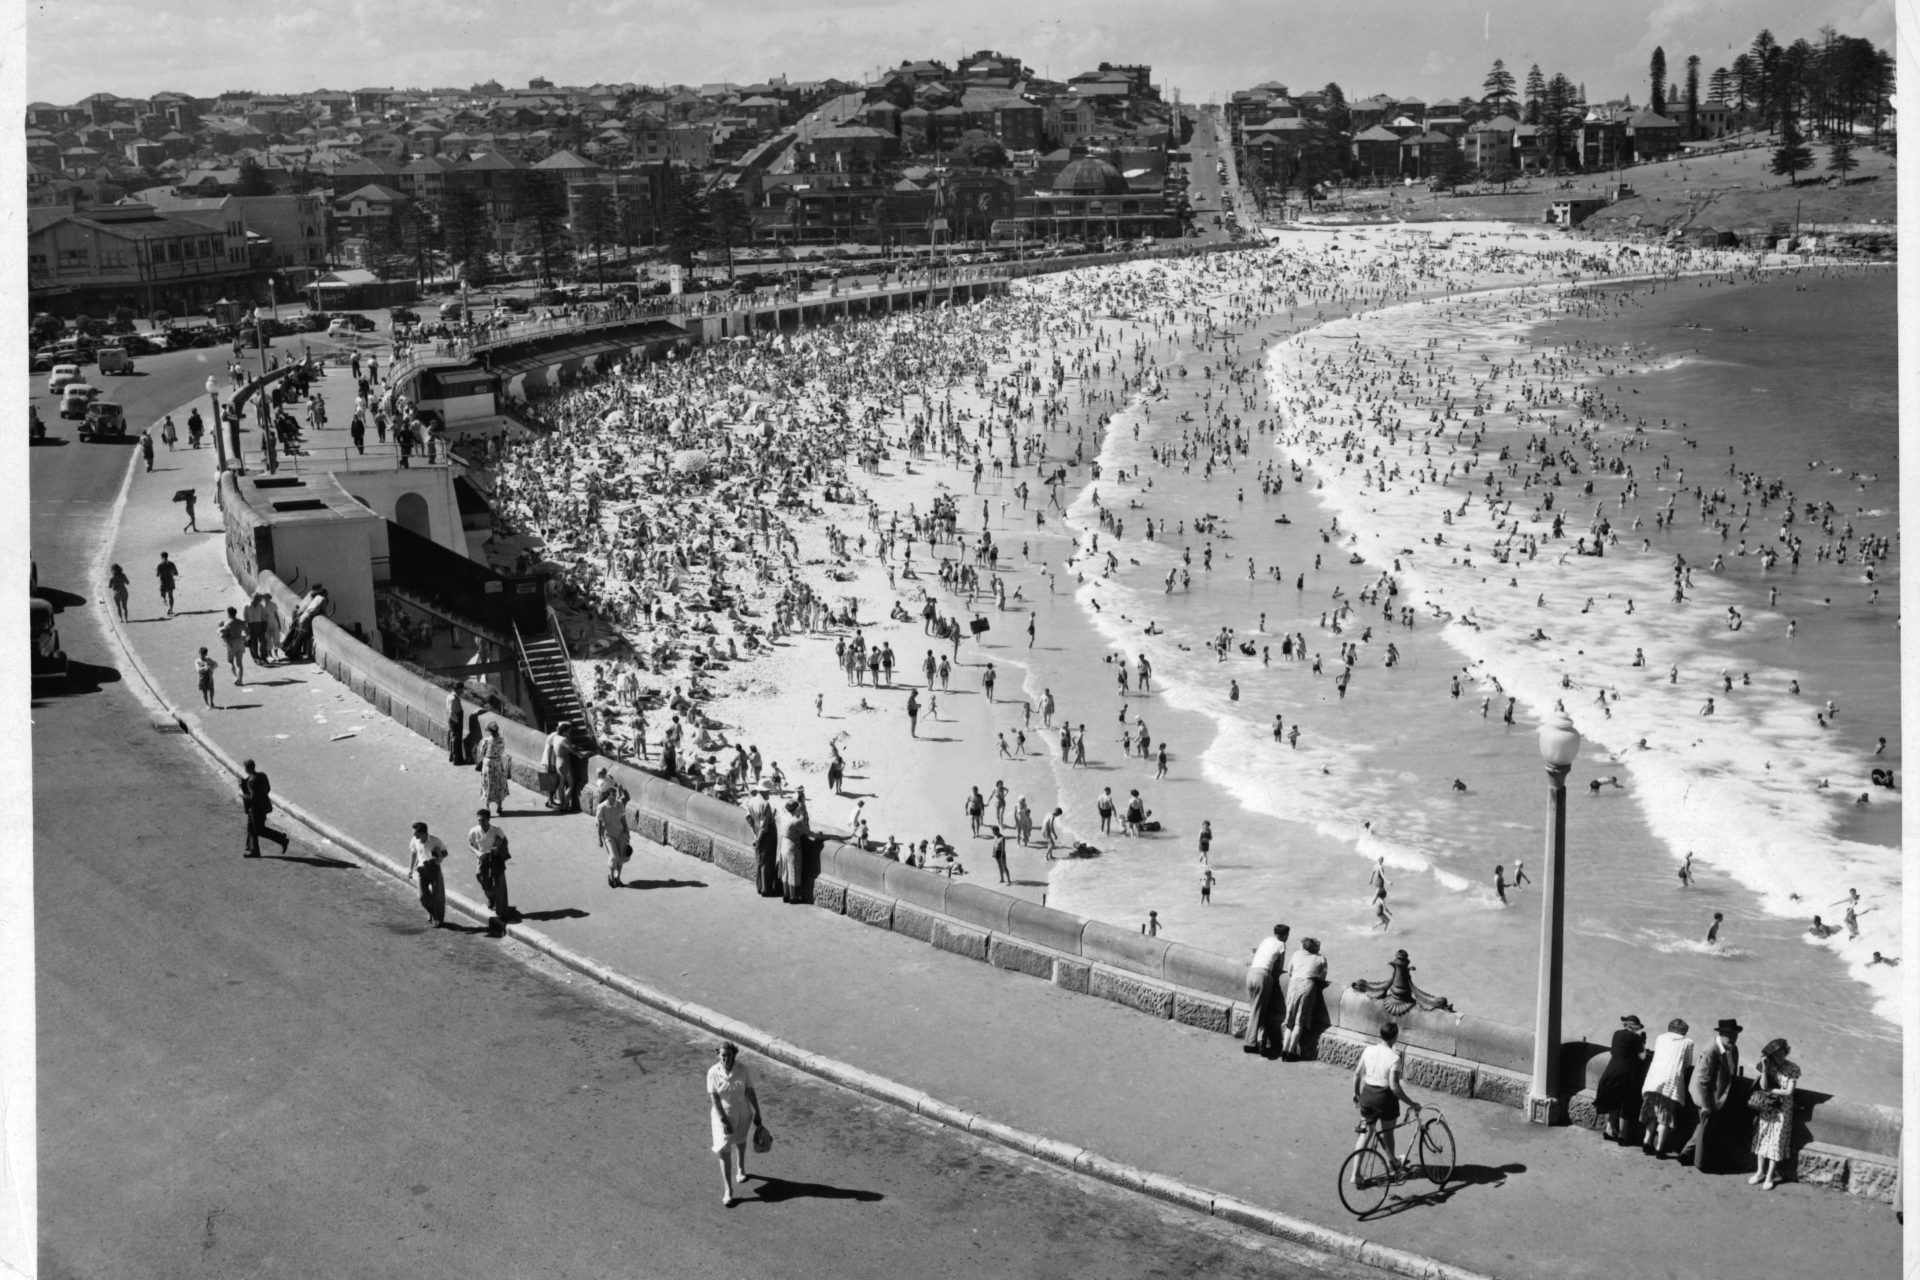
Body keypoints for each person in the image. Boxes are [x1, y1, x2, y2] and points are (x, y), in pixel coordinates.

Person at [1351, 1022, 1423, 1180]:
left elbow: (1357, 1074)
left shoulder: (1369, 1050)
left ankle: (1355, 1173)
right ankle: (1394, 1163)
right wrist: (1412, 1103)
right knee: (1388, 1133)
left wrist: (1356, 1094)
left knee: (1365, 1133)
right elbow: (1394, 1087)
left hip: (1368, 1095)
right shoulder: (1394, 1058)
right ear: (1395, 1037)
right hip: (1385, 1099)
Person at [1679, 1017, 1742, 1173]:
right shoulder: (1711, 1050)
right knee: (1706, 1130)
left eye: (1735, 1034)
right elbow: (1704, 1080)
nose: (1734, 1038)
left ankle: (1686, 1154)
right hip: (1706, 1095)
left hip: (1719, 1094)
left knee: (1703, 1126)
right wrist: (1706, 1104)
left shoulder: (1732, 1048)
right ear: (1722, 1034)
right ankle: (1701, 1163)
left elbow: (1731, 1070)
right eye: (1730, 1034)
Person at [707, 1041, 765, 1207]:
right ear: (718, 1054)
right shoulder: (713, 1072)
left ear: (734, 1055)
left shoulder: (742, 1069)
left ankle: (740, 1168)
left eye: (729, 1055)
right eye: (722, 1055)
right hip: (721, 1117)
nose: (725, 1058)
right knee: (723, 1150)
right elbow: (714, 1098)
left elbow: (750, 1091)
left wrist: (758, 1112)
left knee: (740, 1141)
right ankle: (728, 1189)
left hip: (742, 1113)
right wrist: (724, 1120)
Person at [1749, 1038, 1800, 1190]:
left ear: (1786, 1052)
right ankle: (1759, 1172)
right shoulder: (1769, 1066)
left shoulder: (1793, 1068)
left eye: (1782, 1054)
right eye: (1776, 1055)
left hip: (1783, 1110)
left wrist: (1770, 1091)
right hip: (1768, 1107)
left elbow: (1789, 1091)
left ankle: (1770, 1176)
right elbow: (1762, 1085)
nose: (1779, 1057)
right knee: (1762, 1137)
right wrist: (1764, 1069)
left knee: (1776, 1142)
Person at [1639, 1018, 1694, 1157]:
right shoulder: (1688, 1042)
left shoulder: (1660, 1038)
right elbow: (1687, 1063)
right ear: (1683, 1031)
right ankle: (1659, 1148)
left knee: (1652, 1113)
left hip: (1653, 1080)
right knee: (1665, 1117)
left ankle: (1647, 1141)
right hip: (1671, 1083)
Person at [1594, 1015, 1648, 1143]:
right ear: (1635, 1027)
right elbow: (1642, 1057)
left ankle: (1609, 1131)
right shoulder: (1635, 1038)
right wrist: (1643, 1043)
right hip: (1626, 1074)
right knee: (1626, 1105)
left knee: (1614, 1102)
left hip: (1611, 1071)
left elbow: (1617, 1051)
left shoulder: (1616, 1033)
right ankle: (1623, 1137)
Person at [1242, 924, 1289, 1055]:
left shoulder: (1266, 940)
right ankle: (1250, 1044)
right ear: (1285, 935)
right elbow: (1279, 966)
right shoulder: (1281, 945)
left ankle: (1260, 1041)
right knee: (1258, 1011)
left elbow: (1258, 954)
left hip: (1251, 974)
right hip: (1262, 977)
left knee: (1256, 1009)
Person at [1278, 936, 1326, 1060]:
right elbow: (1322, 979)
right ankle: (1291, 1052)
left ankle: (1284, 1050)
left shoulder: (1296, 954)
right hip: (1307, 987)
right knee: (1299, 1022)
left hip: (1293, 986)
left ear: (1304, 947)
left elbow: (1289, 971)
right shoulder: (1321, 959)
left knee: (1290, 1022)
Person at [468, 808, 515, 931]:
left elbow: (505, 841)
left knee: (500, 885)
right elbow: (470, 845)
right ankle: (492, 897)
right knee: (484, 883)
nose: (480, 823)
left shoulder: (496, 830)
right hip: (482, 860)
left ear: (488, 819)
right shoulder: (473, 831)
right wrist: (477, 853)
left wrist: (498, 848)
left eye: (483, 820)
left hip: (495, 859)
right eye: (479, 820)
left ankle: (502, 913)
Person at [239, 758, 288, 857]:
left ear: (246, 769)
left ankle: (281, 838)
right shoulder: (262, 776)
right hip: (263, 806)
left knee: (259, 830)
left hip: (255, 809)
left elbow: (253, 798)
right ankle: (253, 850)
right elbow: (268, 789)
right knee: (251, 828)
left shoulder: (251, 781)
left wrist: (243, 795)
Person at [405, 821, 449, 927]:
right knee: (422, 896)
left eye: (416, 833)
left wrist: (436, 858)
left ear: (423, 833)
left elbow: (445, 852)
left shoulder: (435, 841)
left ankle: (436, 917)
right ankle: (433, 912)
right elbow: (414, 853)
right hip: (421, 870)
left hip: (434, 869)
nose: (414, 835)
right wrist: (410, 869)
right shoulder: (415, 840)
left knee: (438, 895)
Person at [745, 784, 780, 897]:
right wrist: (759, 839)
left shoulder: (751, 801)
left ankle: (759, 886)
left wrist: (754, 835)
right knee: (767, 861)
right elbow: (764, 826)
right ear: (763, 792)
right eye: (768, 791)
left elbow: (748, 818)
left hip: (757, 832)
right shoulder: (765, 804)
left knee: (759, 860)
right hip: (766, 835)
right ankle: (766, 889)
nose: (769, 793)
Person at [776, 795, 811, 904]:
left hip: (783, 845)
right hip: (792, 847)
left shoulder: (783, 817)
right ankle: (793, 897)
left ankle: (785, 895)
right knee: (792, 871)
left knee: (785, 871)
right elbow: (808, 832)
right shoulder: (795, 821)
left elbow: (782, 810)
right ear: (796, 809)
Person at [597, 785, 631, 888]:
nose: (614, 798)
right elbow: (600, 825)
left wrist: (627, 832)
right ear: (607, 796)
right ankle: (611, 877)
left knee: (621, 857)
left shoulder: (620, 804)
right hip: (609, 835)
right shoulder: (602, 807)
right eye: (612, 796)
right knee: (614, 857)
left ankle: (618, 878)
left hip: (621, 834)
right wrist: (599, 839)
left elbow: (623, 820)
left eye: (615, 796)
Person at [477, 722, 510, 816]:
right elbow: (502, 750)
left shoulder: (486, 740)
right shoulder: (501, 740)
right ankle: (499, 806)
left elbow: (482, 752)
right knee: (499, 783)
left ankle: (487, 807)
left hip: (488, 763)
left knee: (488, 784)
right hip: (498, 762)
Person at [218, 607, 247, 684]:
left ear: (229, 614)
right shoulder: (241, 622)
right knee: (239, 663)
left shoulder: (227, 624)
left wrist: (219, 631)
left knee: (230, 662)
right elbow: (248, 632)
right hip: (240, 643)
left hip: (231, 644)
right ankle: (240, 680)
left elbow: (223, 635)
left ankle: (235, 677)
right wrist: (244, 639)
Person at [445, 685, 468, 765]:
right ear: (458, 689)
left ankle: (452, 757)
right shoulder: (453, 698)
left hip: (453, 720)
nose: (462, 691)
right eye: (461, 689)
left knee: (453, 739)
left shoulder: (450, 696)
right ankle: (457, 760)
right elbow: (451, 712)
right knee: (456, 740)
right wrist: (457, 721)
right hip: (455, 720)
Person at [155, 552, 179, 616]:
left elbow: (157, 575)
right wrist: (171, 573)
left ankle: (167, 607)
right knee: (170, 596)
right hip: (170, 581)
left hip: (163, 582)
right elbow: (176, 573)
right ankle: (171, 609)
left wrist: (158, 571)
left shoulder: (160, 565)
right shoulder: (171, 564)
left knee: (162, 596)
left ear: (162, 557)